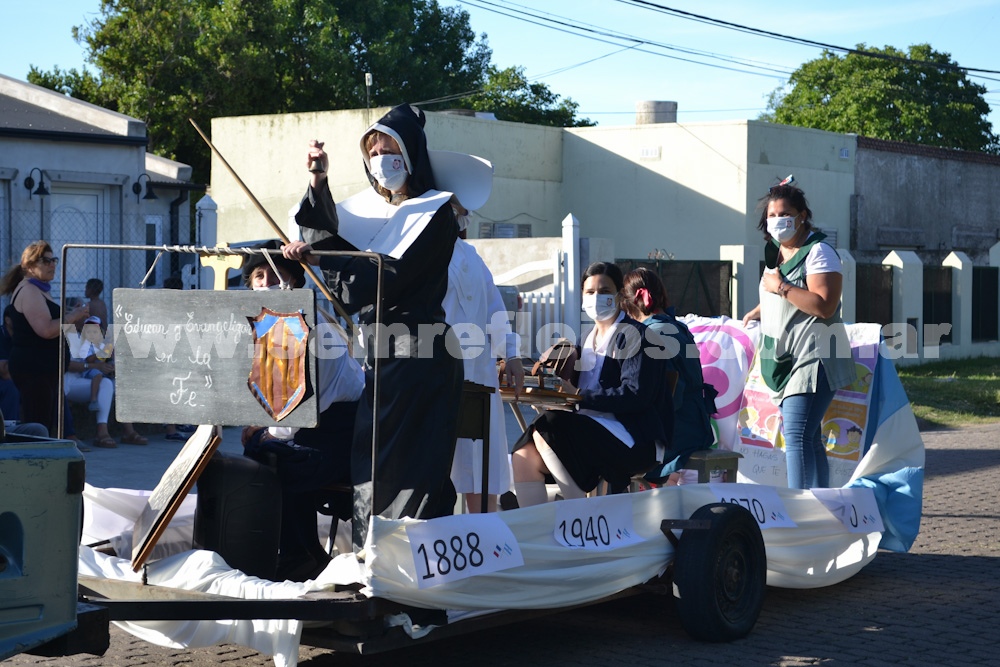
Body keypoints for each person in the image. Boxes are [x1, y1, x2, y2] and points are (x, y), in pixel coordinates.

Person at [282, 104, 464, 548]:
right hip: (385, 361)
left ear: (412, 154)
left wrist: (325, 261)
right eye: (374, 152)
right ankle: (378, 567)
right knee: (375, 466)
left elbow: (381, 277)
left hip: (420, 360)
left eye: (389, 150)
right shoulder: (382, 216)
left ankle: (406, 581)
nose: (381, 159)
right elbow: (334, 244)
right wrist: (318, 182)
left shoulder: (435, 213)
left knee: (405, 474)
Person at [239, 241, 365, 580]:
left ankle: (301, 553)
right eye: (258, 276)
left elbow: (301, 403)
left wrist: (267, 431)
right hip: (310, 432)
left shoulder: (312, 330)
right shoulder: (269, 330)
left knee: (272, 457)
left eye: (276, 275)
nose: (266, 283)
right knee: (259, 451)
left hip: (342, 440)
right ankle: (297, 550)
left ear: (293, 283)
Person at [511, 262, 668, 506]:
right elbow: (575, 397)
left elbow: (636, 395)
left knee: (548, 428)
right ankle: (537, 529)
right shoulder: (585, 340)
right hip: (587, 432)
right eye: (590, 292)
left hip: (633, 437)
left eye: (605, 291)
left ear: (619, 295)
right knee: (524, 454)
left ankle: (580, 517)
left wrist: (580, 396)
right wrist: (550, 395)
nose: (597, 297)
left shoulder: (639, 336)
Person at [741, 177, 855, 490]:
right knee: (807, 436)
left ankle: (800, 511)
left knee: (795, 433)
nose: (778, 220)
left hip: (814, 354)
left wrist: (782, 287)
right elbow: (778, 294)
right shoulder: (773, 251)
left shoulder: (819, 252)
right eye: (772, 215)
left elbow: (823, 305)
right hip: (781, 355)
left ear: (802, 214)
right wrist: (757, 310)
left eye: (785, 213)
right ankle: (820, 504)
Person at [444, 203, 524, 513]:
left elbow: (494, 310)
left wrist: (512, 355)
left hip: (478, 377)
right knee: (435, 472)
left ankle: (483, 541)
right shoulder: (418, 256)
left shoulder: (473, 258)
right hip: (437, 378)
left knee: (481, 469)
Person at [621, 267, 717, 484]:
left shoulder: (650, 334)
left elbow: (667, 394)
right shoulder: (680, 328)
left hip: (678, 430)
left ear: (629, 305)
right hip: (698, 424)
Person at [0, 241, 90, 435]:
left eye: (54, 260)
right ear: (30, 266)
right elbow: (46, 330)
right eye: (46, 261)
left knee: (44, 424)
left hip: (43, 371)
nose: (52, 265)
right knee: (38, 427)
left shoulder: (39, 289)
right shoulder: (29, 291)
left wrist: (72, 314)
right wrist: (74, 316)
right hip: (34, 370)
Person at [63, 315, 148, 448]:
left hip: (89, 379)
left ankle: (128, 431)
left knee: (121, 384)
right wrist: (96, 366)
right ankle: (102, 433)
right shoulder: (70, 336)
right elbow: (68, 365)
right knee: (105, 384)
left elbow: (104, 358)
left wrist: (111, 368)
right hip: (71, 383)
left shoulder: (98, 341)